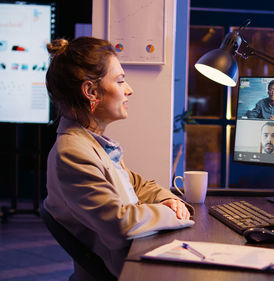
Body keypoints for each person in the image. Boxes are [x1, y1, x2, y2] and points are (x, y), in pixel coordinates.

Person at [43, 37, 194, 279]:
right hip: (127, 271)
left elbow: (139, 186)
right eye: (120, 80)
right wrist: (172, 213)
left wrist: (169, 199)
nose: (129, 89)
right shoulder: (72, 152)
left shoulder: (93, 143)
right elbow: (120, 223)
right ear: (91, 91)